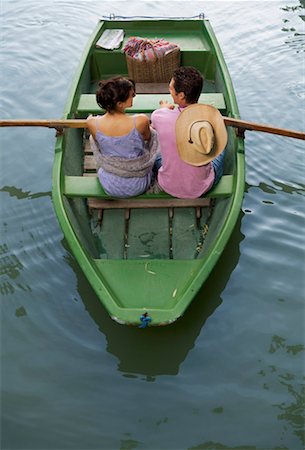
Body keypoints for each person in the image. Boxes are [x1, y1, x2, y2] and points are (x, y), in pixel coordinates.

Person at [151, 66, 227, 199]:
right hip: (201, 187)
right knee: (221, 145)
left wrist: (164, 109)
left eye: (171, 88)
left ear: (181, 95)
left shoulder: (159, 116)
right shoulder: (209, 119)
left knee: (157, 151)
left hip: (168, 185)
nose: (169, 91)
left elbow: (153, 130)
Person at [86, 76, 159, 198]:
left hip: (109, 184)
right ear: (120, 104)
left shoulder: (92, 123)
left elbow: (99, 143)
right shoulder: (141, 121)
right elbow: (148, 138)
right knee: (159, 152)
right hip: (138, 184)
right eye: (131, 94)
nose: (134, 95)